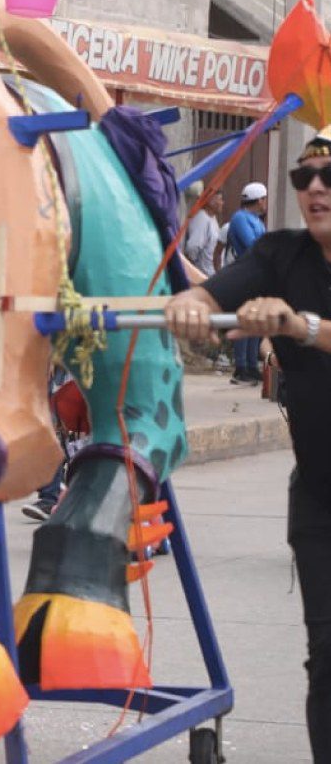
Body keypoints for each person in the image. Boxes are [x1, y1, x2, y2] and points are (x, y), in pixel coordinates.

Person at [165, 132, 331, 762]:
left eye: (330, 176)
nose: (315, 188)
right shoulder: (279, 255)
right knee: (329, 659)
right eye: (304, 177)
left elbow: (302, 327)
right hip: (321, 499)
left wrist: (298, 326)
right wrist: (192, 307)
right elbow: (214, 293)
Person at [226, 181, 269, 384]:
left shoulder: (256, 220)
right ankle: (240, 367)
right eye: (264, 199)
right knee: (244, 320)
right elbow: (253, 245)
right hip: (246, 274)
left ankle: (252, 365)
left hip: (258, 275)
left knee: (255, 321)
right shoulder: (240, 218)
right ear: (259, 199)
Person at [183, 182, 224, 279]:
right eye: (220, 199)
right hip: (203, 277)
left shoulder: (211, 218)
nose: (222, 203)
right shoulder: (202, 219)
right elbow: (192, 248)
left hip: (211, 277)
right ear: (210, 201)